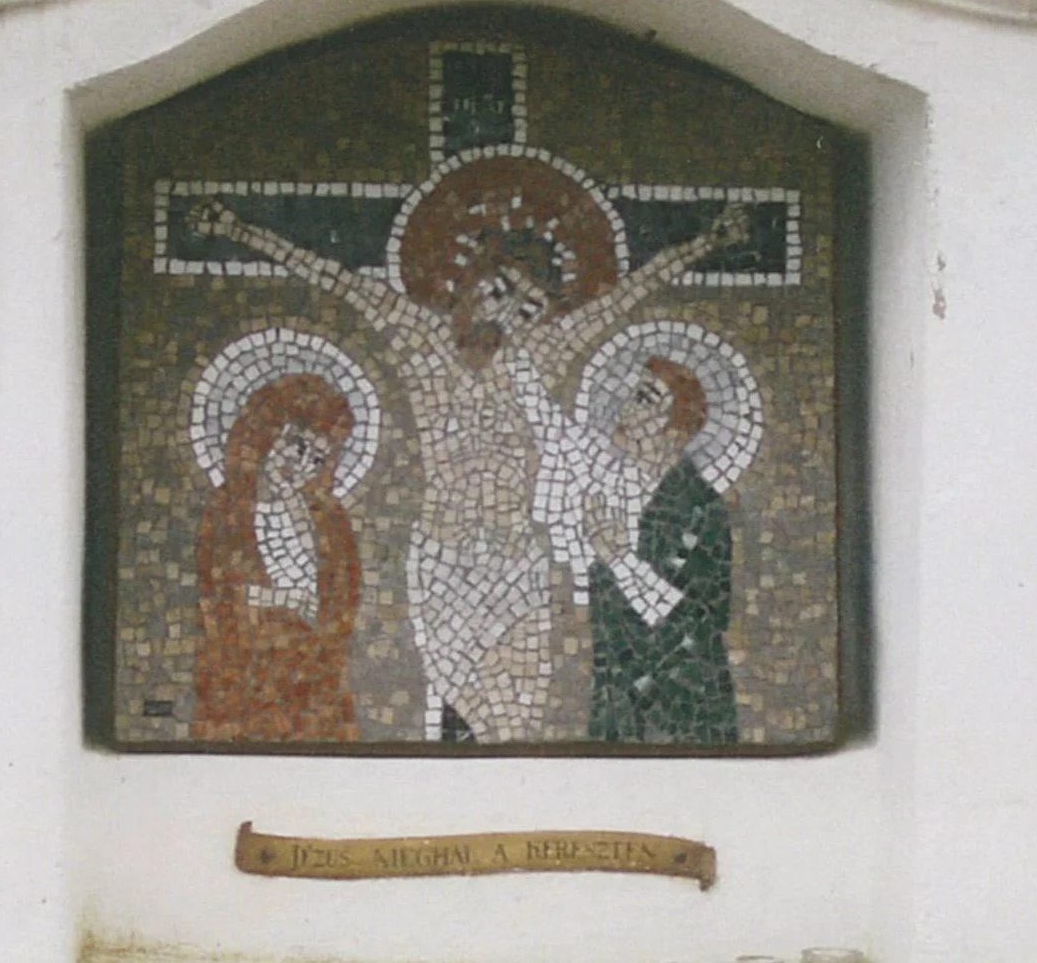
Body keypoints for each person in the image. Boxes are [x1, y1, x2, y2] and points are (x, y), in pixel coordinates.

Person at [194, 160, 746, 743]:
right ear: (471, 279)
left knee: (517, 726)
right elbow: (339, 281)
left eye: (527, 311)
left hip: (517, 566)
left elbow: (620, 300)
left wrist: (704, 244)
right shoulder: (419, 337)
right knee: (457, 716)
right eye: (499, 292)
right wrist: (241, 232)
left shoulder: (542, 353)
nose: (505, 317)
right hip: (443, 563)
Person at [192, 374, 362, 743]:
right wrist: (279, 601)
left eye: (317, 459)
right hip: (247, 673)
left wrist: (319, 645)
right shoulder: (229, 509)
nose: (300, 466)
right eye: (296, 446)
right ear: (273, 434)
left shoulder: (329, 521)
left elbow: (342, 598)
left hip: (314, 678)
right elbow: (217, 593)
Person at [584, 356, 738, 745]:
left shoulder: (699, 509)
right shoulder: (618, 499)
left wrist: (620, 559)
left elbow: (696, 622)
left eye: (644, 399)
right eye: (632, 394)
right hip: (617, 717)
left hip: (683, 718)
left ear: (673, 432)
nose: (625, 410)